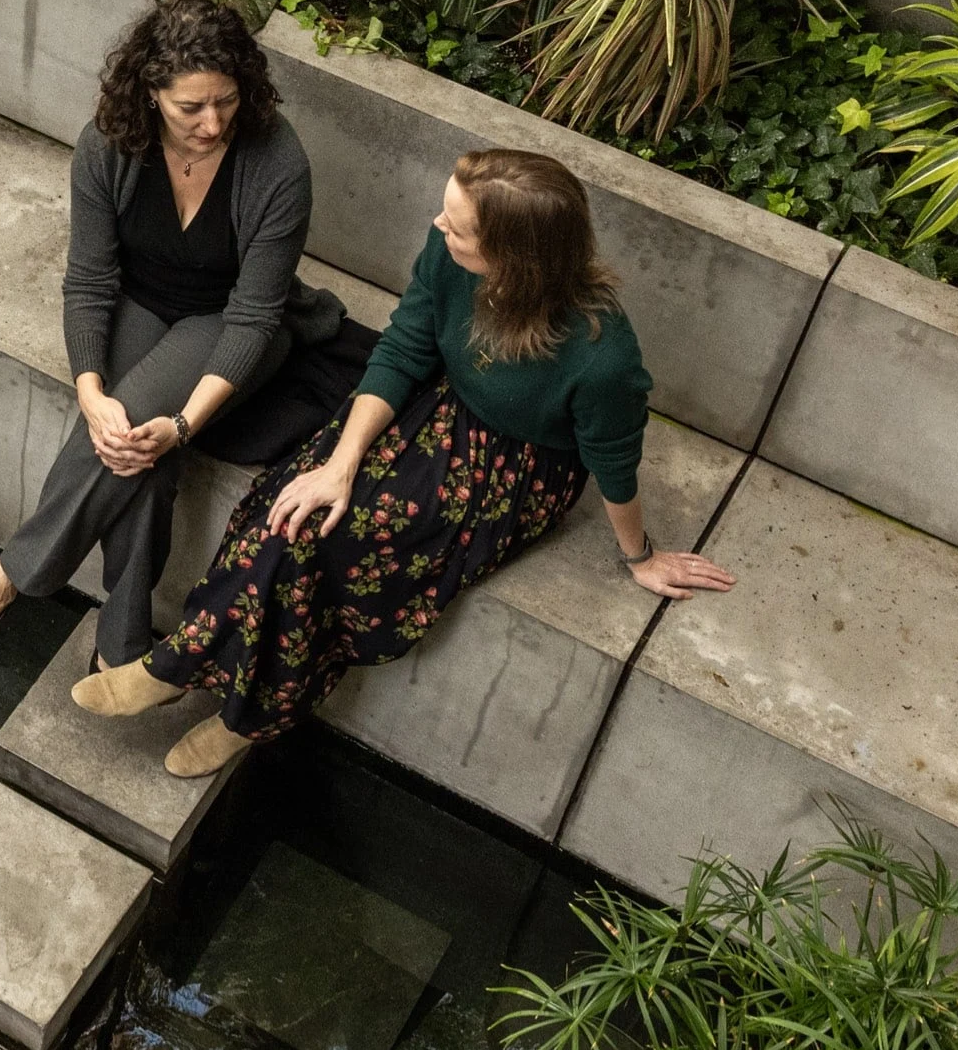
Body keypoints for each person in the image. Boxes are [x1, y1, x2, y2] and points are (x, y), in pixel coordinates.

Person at [79, 146, 734, 778]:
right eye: (445, 211)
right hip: (434, 409)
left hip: (510, 469)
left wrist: (640, 557)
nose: (438, 225)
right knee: (287, 512)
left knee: (330, 550)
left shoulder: (601, 357)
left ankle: (227, 707)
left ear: (517, 256)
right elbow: (401, 352)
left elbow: (613, 460)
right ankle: (188, 669)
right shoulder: (450, 260)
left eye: (459, 225)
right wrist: (341, 463)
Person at [0, 0, 372, 671]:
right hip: (141, 303)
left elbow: (256, 313)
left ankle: (12, 573)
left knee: (147, 427)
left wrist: (185, 423)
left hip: (232, 318)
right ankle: (123, 640)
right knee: (132, 445)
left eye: (226, 101)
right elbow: (88, 282)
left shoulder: (277, 161)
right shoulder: (106, 145)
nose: (212, 123)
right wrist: (89, 391)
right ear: (149, 94)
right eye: (189, 108)